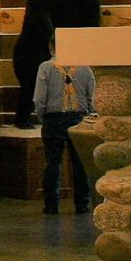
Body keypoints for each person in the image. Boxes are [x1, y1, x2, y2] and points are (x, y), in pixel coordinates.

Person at [33, 43, 94, 214]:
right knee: (79, 163)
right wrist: (89, 115)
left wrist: (42, 117)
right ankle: (82, 203)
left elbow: (39, 98)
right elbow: (91, 97)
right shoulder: (85, 68)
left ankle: (51, 204)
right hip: (78, 118)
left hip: (53, 118)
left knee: (52, 163)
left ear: (51, 48)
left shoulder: (45, 67)